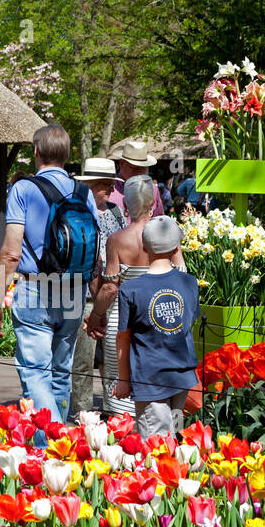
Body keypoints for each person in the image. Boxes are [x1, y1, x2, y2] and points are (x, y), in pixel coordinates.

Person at [0, 123, 102, 423]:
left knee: (36, 375)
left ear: (36, 152)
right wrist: (96, 301)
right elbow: (93, 250)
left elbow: (11, 252)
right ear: (66, 154)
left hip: (36, 289)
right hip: (74, 292)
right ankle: (60, 444)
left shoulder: (24, 189)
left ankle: (48, 445)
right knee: (61, 373)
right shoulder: (83, 193)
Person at [86, 175, 182, 415]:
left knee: (120, 388)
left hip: (122, 322)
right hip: (161, 319)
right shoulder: (168, 233)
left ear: (126, 206)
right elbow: (182, 273)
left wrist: (96, 315)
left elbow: (110, 287)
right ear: (152, 204)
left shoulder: (117, 240)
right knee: (157, 394)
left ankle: (122, 443)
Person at [114, 216, 200, 436]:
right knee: (174, 438)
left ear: (144, 246)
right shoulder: (189, 283)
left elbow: (123, 337)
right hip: (182, 376)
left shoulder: (131, 289)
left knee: (156, 445)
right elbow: (188, 321)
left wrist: (123, 379)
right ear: (176, 247)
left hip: (149, 379)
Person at [70, 158, 127, 418]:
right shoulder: (77, 211)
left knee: (111, 359)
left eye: (111, 184)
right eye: (104, 184)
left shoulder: (116, 212)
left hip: (112, 293)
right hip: (84, 294)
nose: (109, 189)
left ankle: (111, 408)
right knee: (83, 358)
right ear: (89, 185)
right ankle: (82, 411)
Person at [110, 139, 165, 218]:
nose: (138, 173)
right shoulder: (109, 189)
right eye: (134, 168)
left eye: (142, 168)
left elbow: (159, 219)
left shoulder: (152, 189)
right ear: (122, 164)